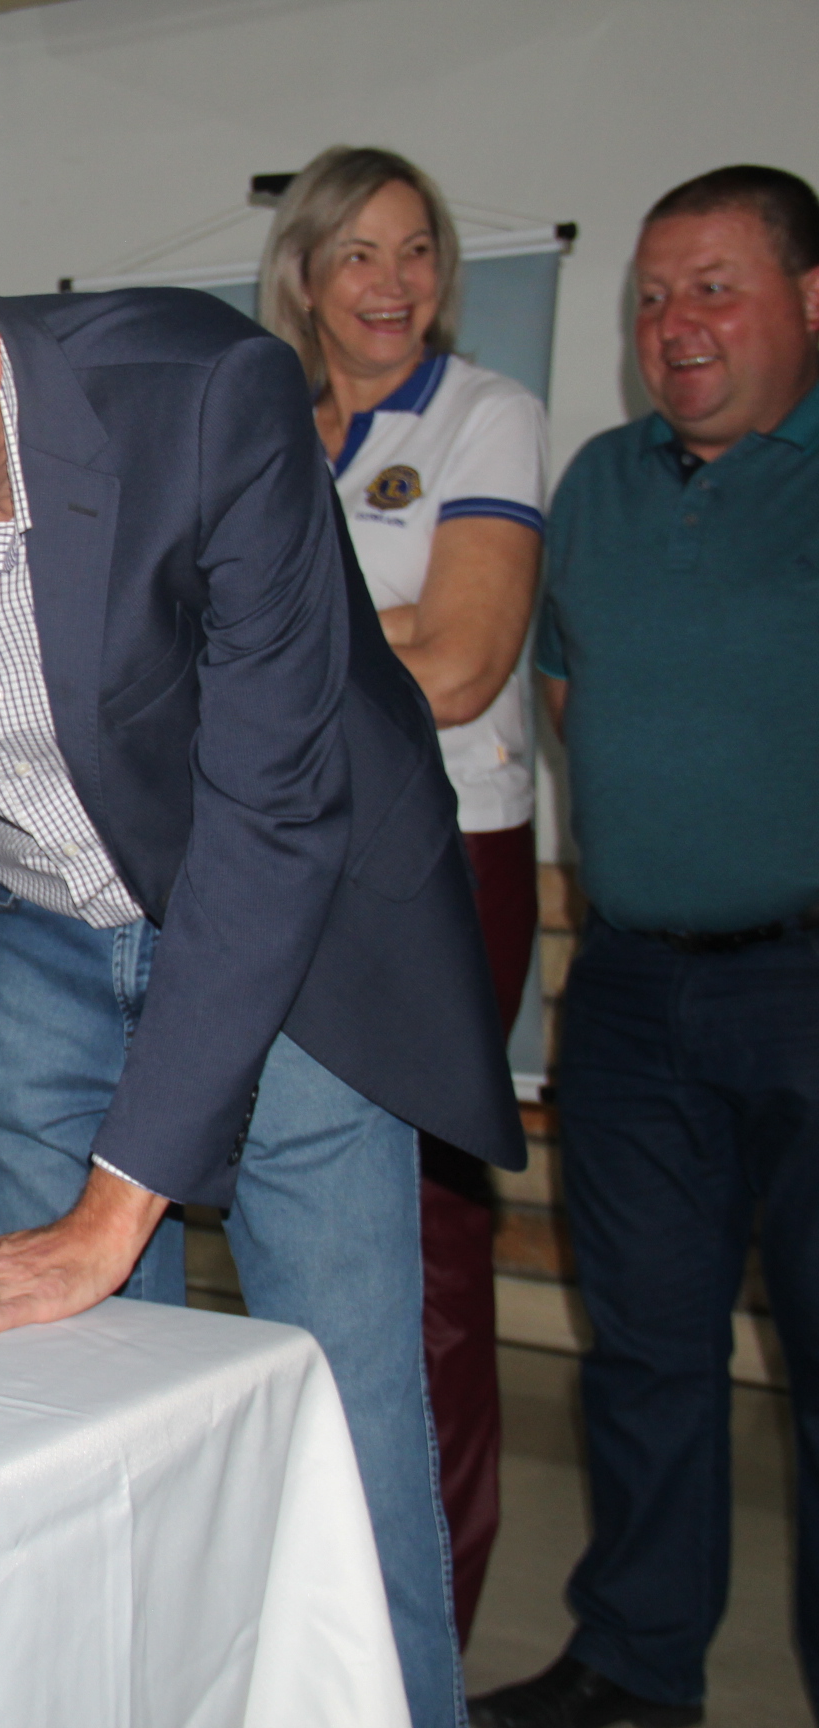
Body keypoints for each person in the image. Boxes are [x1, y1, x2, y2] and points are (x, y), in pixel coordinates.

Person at [0, 193, 523, 1728]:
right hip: (39, 942)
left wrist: (112, 1211)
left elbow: (272, 817)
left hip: (286, 940)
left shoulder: (206, 404)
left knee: (338, 1430)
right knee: (80, 1432)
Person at [468, 165, 819, 1728]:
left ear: (810, 299)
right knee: (648, 1355)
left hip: (808, 981)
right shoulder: (600, 484)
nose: (676, 323)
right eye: (655, 295)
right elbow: (566, 699)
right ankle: (633, 1668)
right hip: (632, 989)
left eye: (716, 288)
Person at [260, 145, 550, 1647]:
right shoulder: (261, 422)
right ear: (305, 275)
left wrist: (282, 655)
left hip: (443, 858)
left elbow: (465, 665)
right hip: (279, 853)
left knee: (427, 1234)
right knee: (299, 1220)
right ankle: (306, 1587)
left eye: (418, 249)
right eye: (360, 253)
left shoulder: (486, 414)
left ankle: (417, 1621)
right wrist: (370, 626)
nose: (394, 281)